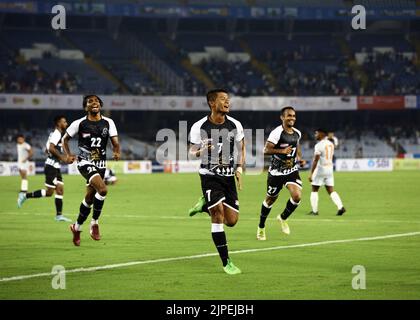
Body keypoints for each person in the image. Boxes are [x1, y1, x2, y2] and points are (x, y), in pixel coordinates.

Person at [188, 89, 245, 275]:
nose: (227, 102)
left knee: (232, 221)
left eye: (228, 99)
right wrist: (200, 153)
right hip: (209, 177)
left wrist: (238, 168)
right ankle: (226, 261)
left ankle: (205, 204)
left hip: (228, 178)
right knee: (218, 216)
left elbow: (241, 147)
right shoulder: (199, 126)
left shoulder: (235, 124)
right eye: (223, 99)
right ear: (212, 103)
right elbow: (191, 152)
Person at [62, 95, 120, 246]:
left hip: (101, 163)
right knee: (103, 190)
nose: (94, 103)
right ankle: (94, 223)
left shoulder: (109, 122)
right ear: (85, 107)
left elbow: (115, 141)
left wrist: (116, 151)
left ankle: (76, 227)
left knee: (89, 198)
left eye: (97, 101)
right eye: (90, 101)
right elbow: (64, 139)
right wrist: (67, 155)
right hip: (85, 161)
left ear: (100, 105)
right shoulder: (79, 123)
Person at [257, 106, 305, 241]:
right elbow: (266, 150)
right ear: (282, 117)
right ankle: (261, 227)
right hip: (276, 173)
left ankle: (283, 218)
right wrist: (282, 152)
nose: (292, 118)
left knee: (297, 196)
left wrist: (299, 158)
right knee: (270, 199)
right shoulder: (276, 133)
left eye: (294, 116)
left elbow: (297, 146)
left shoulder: (297, 133)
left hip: (291, 170)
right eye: (289, 116)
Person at [17, 116, 72, 222]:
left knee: (59, 190)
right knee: (49, 192)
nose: (66, 123)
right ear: (58, 123)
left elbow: (48, 149)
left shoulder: (55, 134)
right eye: (64, 122)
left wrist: (65, 156)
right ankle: (25, 196)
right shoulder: (56, 134)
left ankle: (59, 216)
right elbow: (51, 148)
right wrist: (63, 158)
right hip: (51, 167)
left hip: (56, 166)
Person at [308, 129, 346, 216]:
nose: (315, 135)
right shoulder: (330, 143)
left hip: (321, 169)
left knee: (314, 190)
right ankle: (341, 207)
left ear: (322, 134)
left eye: (316, 133)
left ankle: (314, 211)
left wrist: (311, 173)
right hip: (329, 169)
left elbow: (315, 160)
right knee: (331, 190)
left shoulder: (318, 145)